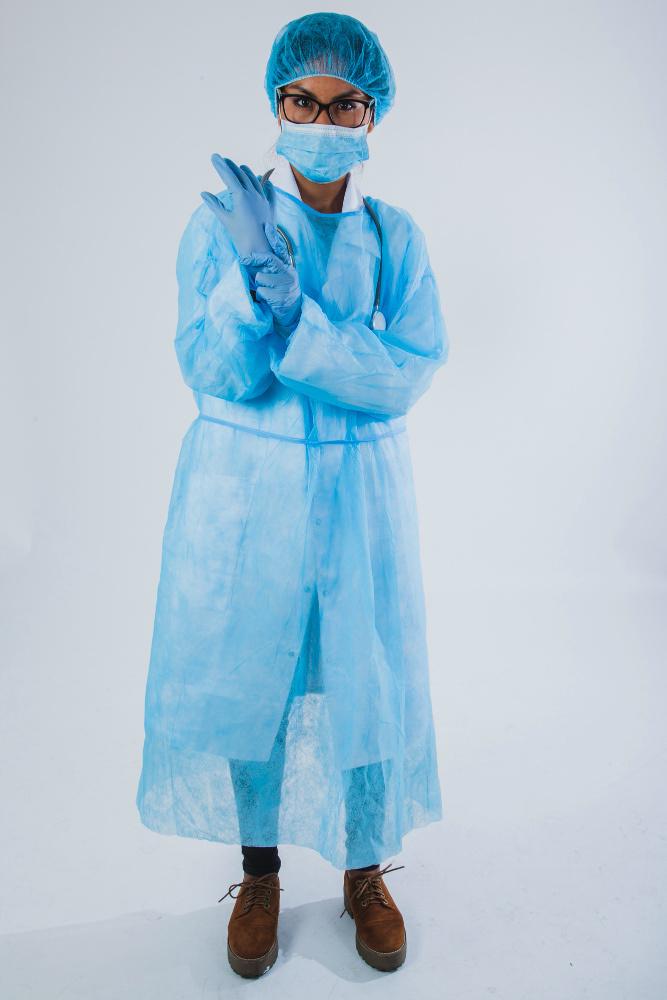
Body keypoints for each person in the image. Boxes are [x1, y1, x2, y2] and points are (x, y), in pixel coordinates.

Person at [136, 11, 449, 978]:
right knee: (252, 686)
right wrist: (248, 281)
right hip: (249, 496)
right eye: (301, 101)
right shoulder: (221, 225)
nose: (321, 119)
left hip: (359, 498)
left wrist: (297, 315)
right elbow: (216, 371)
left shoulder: (392, 236)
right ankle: (260, 874)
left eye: (343, 103)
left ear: (371, 114)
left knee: (364, 677)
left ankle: (364, 870)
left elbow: (407, 371)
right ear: (276, 106)